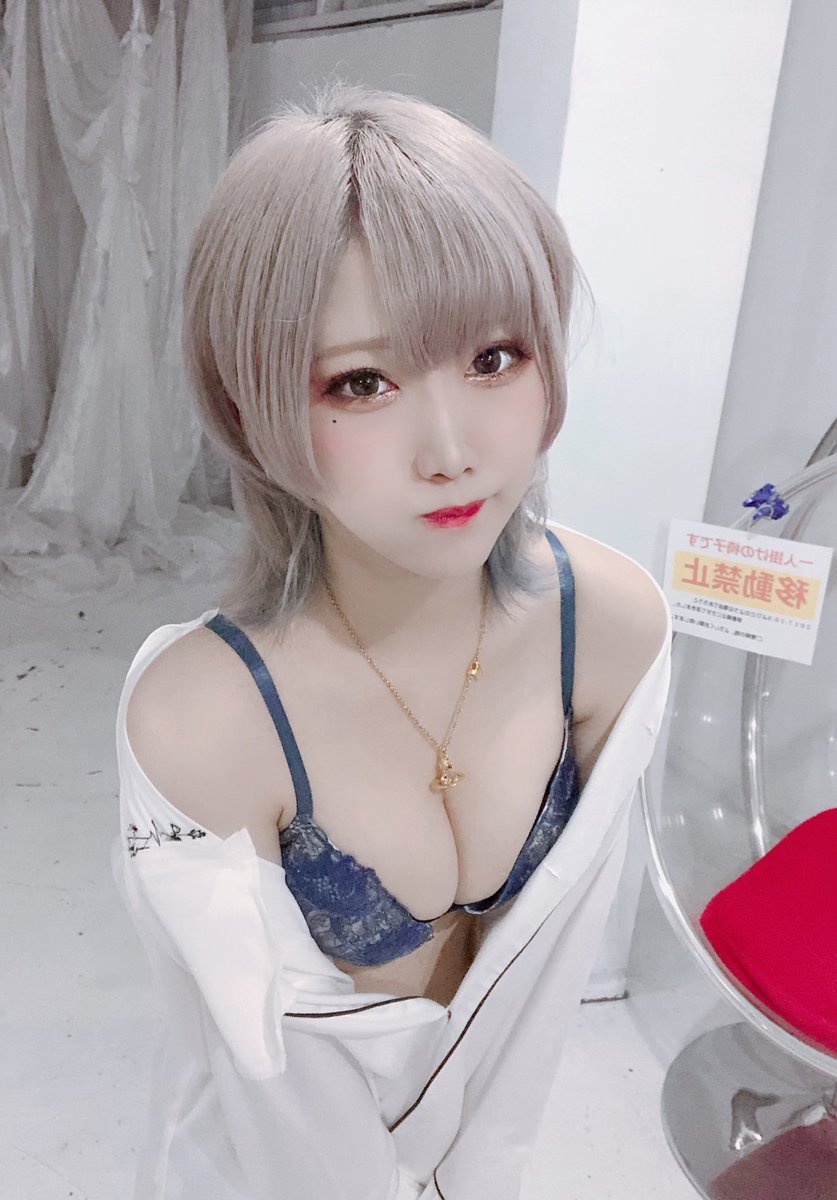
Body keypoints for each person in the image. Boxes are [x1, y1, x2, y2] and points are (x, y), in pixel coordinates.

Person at [114, 83, 671, 1200]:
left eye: (495, 357)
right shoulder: (205, 720)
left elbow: (540, 991)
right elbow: (269, 1086)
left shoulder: (608, 627)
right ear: (250, 401)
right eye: (362, 382)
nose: (451, 448)